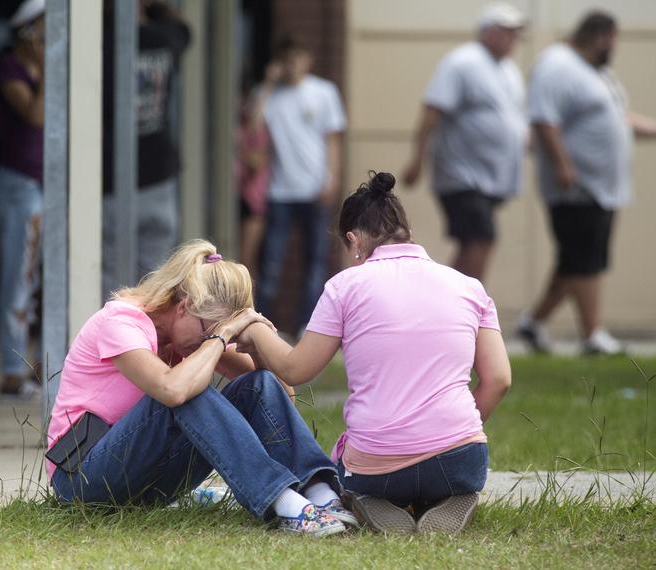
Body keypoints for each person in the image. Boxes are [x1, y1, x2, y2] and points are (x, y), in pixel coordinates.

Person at [236, 172, 511, 534]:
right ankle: (447, 495)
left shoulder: (345, 286)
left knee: (346, 473)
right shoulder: (469, 287)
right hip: (461, 457)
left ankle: (370, 499)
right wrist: (450, 438)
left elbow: (294, 369)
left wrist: (254, 326)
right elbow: (499, 380)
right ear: (407, 232)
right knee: (445, 469)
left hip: (376, 467)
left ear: (353, 241)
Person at [47, 240, 355, 537]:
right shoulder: (120, 322)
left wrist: (255, 344)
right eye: (209, 331)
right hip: (80, 480)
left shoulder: (198, 332)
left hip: (144, 483)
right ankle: (284, 502)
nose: (209, 341)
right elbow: (170, 390)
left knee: (255, 385)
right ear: (184, 306)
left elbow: (280, 396)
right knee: (185, 391)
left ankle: (321, 491)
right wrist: (221, 337)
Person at [518, 11, 656, 355]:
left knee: (575, 261)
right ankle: (593, 334)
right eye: (612, 40)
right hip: (576, 186)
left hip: (603, 187)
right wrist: (563, 166)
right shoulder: (557, 64)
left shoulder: (597, 73)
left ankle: (533, 324)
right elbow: (543, 119)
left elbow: (617, 118)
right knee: (584, 260)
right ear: (600, 36)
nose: (614, 47)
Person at [402, 2, 528, 281]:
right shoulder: (463, 62)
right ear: (487, 31)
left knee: (474, 241)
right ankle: (460, 309)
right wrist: (417, 160)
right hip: (463, 176)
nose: (513, 39)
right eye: (506, 31)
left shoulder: (508, 69)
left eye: (516, 33)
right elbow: (432, 111)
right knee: (480, 239)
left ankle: (448, 306)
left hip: (489, 179)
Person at [255, 37, 346, 336]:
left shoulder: (323, 92)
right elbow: (253, 125)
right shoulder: (269, 96)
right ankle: (262, 324)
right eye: (288, 59)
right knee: (272, 261)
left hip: (313, 188)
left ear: (307, 60)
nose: (293, 65)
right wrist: (268, 84)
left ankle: (308, 324)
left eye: (298, 57)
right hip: (279, 190)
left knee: (315, 260)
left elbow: (332, 139)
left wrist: (330, 177)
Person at [102, 0, 191, 297]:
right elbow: (184, 29)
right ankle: (148, 341)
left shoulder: (98, 41)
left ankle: (116, 342)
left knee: (110, 281)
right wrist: (154, 7)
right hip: (157, 175)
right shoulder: (164, 38)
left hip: (109, 179)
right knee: (157, 282)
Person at [0, 0, 45, 399]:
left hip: (42, 186)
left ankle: (38, 366)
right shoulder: (10, 67)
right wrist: (47, 67)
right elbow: (37, 116)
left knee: (39, 279)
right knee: (18, 279)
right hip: (19, 186)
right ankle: (12, 371)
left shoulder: (41, 68)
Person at [236, 62, 281, 278]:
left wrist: (236, 147)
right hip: (233, 197)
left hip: (252, 200)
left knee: (246, 259)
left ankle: (248, 305)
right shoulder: (237, 127)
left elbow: (256, 162)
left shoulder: (254, 130)